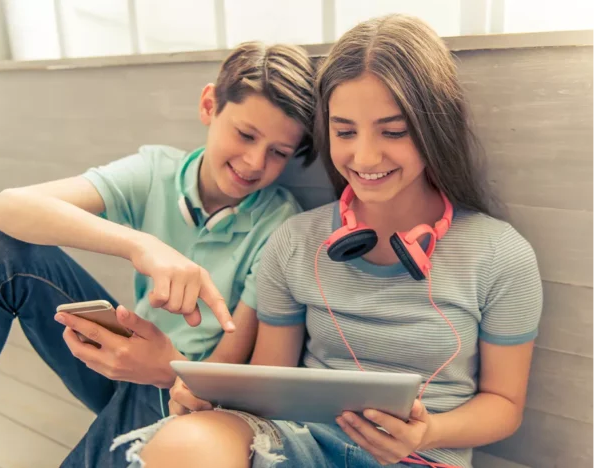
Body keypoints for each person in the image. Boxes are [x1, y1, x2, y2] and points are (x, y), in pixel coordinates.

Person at [136, 14, 543, 468]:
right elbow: (272, 380)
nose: (365, 156)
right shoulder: (294, 241)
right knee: (185, 440)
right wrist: (211, 403)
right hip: (299, 444)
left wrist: (428, 432)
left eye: (393, 131)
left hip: (421, 457)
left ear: (434, 127)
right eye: (345, 132)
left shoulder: (500, 255)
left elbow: (504, 405)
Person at [0, 41, 316, 466]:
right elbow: (6, 207)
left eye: (279, 153)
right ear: (210, 105)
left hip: (186, 394)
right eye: (246, 135)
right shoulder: (156, 173)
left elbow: (226, 370)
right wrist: (141, 245)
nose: (254, 162)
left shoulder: (278, 224)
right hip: (119, 356)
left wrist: (166, 367)